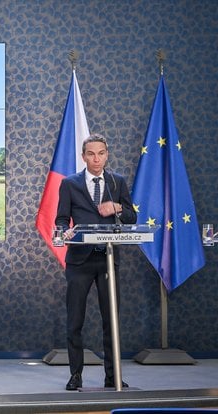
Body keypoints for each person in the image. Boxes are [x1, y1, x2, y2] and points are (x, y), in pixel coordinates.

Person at [55, 133, 136, 391]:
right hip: (79, 261)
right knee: (75, 321)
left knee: (110, 320)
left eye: (101, 153)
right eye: (91, 154)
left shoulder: (117, 181)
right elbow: (61, 218)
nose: (96, 158)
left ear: (107, 154)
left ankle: (113, 376)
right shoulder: (70, 184)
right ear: (83, 156)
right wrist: (63, 231)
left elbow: (132, 217)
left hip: (108, 259)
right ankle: (75, 375)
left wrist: (118, 208)